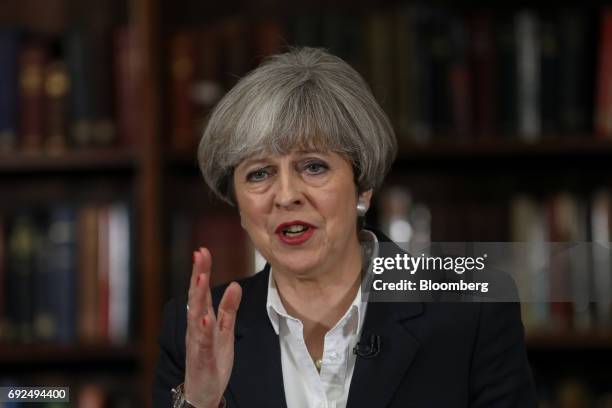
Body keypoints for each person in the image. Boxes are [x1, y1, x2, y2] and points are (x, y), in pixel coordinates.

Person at [153, 47, 537, 408]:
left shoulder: (474, 310)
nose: (286, 195)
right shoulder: (192, 331)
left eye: (313, 166)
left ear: (363, 187)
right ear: (238, 205)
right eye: (259, 174)